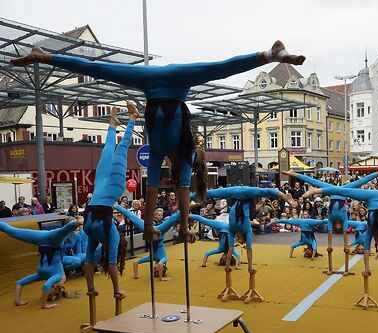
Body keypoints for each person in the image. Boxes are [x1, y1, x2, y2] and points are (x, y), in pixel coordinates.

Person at [12, 42, 305, 245]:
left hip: (156, 84)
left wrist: (155, 226)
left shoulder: (167, 156)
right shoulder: (186, 153)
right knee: (216, 69)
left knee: (102, 69)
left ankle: (44, 56)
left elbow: (155, 194)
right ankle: (270, 54)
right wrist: (175, 225)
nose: (172, 168)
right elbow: (173, 195)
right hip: (172, 84)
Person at [81, 102, 139, 301]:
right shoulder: (108, 237)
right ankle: (128, 120)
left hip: (101, 199)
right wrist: (116, 291)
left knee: (113, 151)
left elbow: (91, 261)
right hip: (91, 217)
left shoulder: (111, 235)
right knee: (114, 152)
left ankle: (121, 122)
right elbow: (112, 264)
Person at [285, 167, 378, 274]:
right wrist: (331, 247)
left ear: (336, 226)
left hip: (338, 190)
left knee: (359, 182)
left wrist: (345, 247)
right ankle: (294, 174)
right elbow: (332, 240)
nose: (340, 228)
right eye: (339, 228)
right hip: (342, 191)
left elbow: (341, 238)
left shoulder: (334, 220)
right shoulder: (342, 220)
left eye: (338, 228)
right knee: (317, 182)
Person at [206, 186, 297, 276]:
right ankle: (285, 197)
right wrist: (250, 267)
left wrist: (227, 265)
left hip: (236, 193)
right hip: (246, 194)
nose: (238, 240)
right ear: (243, 237)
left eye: (238, 240)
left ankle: (192, 196)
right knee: (264, 191)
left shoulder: (231, 230)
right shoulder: (247, 230)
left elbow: (230, 249)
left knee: (211, 193)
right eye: (240, 240)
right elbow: (249, 250)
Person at [0, 218, 80, 308]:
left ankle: (78, 222)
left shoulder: (40, 275)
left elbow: (19, 283)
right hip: (53, 241)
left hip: (41, 239)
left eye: (47, 295)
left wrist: (18, 301)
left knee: (11, 231)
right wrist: (44, 305)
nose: (48, 293)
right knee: (63, 231)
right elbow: (46, 286)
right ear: (56, 288)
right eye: (51, 294)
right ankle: (78, 221)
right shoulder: (57, 276)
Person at [115, 205, 180, 281]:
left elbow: (135, 263)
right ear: (163, 268)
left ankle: (117, 206)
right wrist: (161, 278)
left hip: (151, 230)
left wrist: (136, 276)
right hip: (159, 231)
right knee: (171, 220)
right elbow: (159, 264)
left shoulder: (155, 258)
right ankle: (117, 206)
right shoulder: (163, 258)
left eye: (154, 271)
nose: (155, 269)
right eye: (157, 271)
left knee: (133, 217)